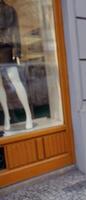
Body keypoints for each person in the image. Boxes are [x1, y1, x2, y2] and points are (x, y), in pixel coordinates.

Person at [0, 0, 32, 130]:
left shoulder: (9, 10)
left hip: (6, 49)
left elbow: (16, 31)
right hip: (6, 47)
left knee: (16, 81)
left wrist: (17, 52)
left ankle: (28, 115)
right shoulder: (10, 9)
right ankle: (7, 116)